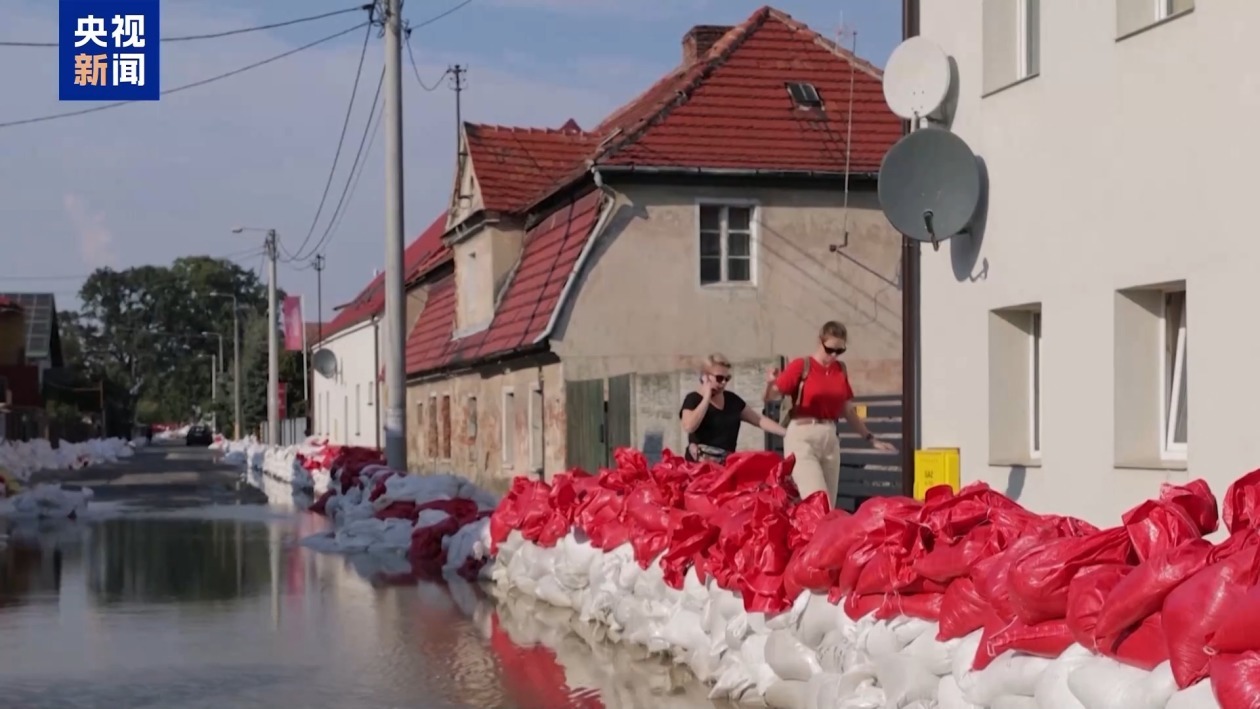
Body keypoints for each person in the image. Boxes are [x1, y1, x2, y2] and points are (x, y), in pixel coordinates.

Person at [764, 321, 896, 506]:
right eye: (830, 349)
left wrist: (870, 438)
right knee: (818, 501)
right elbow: (770, 396)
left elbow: (848, 410)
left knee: (829, 505)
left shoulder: (840, 369)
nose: (834, 355)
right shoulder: (802, 365)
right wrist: (770, 383)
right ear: (820, 342)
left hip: (829, 437)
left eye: (839, 351)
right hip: (802, 436)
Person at [680, 353, 787, 463]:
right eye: (719, 378)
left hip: (724, 465)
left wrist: (787, 433)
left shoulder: (732, 400)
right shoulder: (693, 399)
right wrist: (706, 397)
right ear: (705, 377)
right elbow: (689, 426)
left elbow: (759, 420)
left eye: (727, 379)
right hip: (699, 467)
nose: (723, 383)